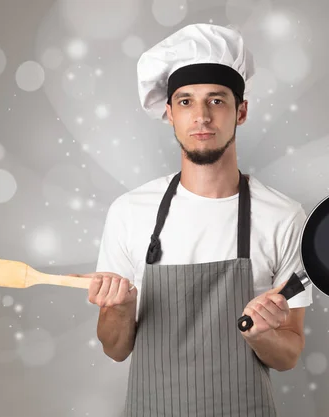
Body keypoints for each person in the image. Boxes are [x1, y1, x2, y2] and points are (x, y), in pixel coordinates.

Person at [72, 23, 313, 417]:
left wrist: (261, 333)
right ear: (169, 114)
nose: (201, 116)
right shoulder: (130, 212)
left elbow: (288, 355)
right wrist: (119, 307)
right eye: (185, 102)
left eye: (216, 100)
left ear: (242, 110)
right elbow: (116, 349)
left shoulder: (283, 216)